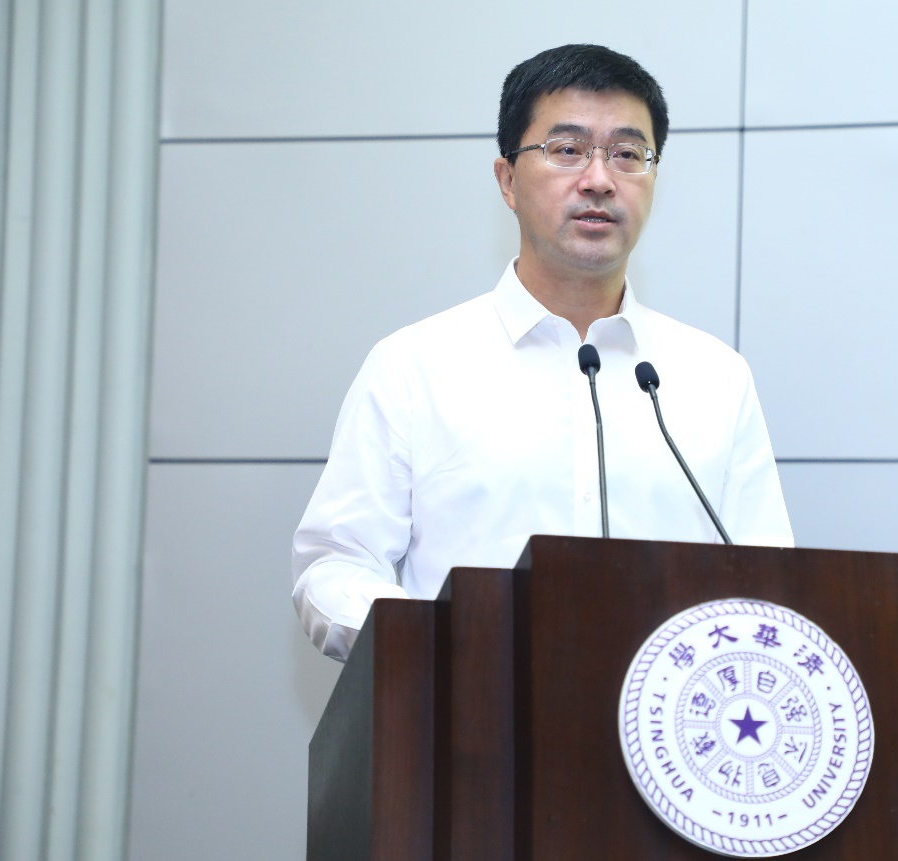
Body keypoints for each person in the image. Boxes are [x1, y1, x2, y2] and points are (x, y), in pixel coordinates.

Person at [292, 44, 793, 660]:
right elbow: (334, 565)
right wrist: (440, 641)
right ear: (507, 180)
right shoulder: (414, 366)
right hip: (469, 706)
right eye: (568, 150)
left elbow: (770, 584)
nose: (599, 180)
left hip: (662, 716)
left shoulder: (714, 377)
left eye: (627, 154)